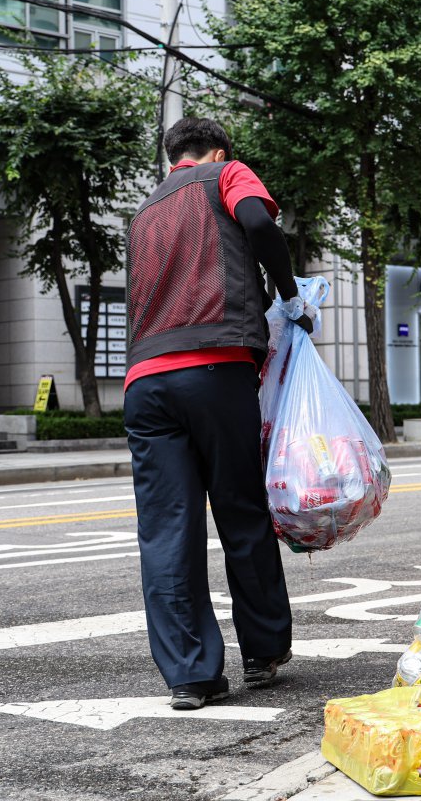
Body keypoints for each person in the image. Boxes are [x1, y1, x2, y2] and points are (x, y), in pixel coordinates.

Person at [124, 117, 310, 710]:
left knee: (166, 530)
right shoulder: (226, 173)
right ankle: (262, 652)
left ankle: (190, 675)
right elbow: (258, 220)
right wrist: (289, 296)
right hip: (215, 368)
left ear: (170, 156)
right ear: (218, 150)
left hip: (145, 383)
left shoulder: (144, 210)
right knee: (239, 510)